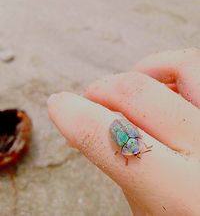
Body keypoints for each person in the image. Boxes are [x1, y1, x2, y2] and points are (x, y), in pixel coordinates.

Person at [47, 48, 200, 216]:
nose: (136, 152)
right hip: (120, 129)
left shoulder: (133, 142)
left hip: (121, 130)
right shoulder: (132, 142)